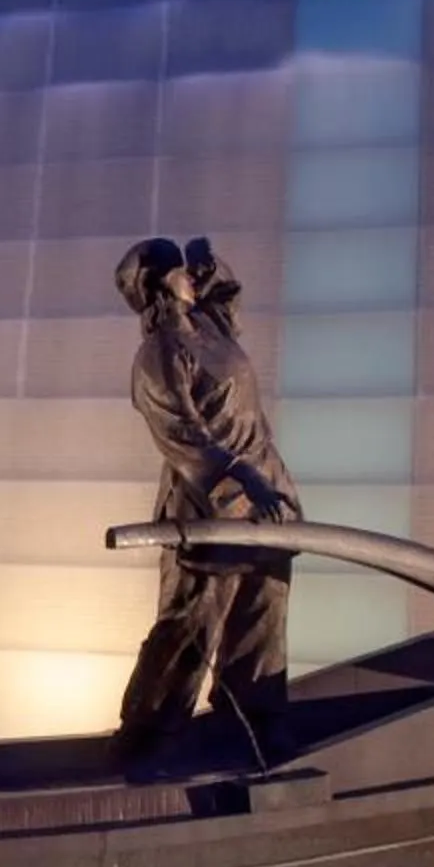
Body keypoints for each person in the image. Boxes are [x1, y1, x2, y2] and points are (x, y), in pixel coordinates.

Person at [112, 234, 303, 765]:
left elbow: (226, 293)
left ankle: (256, 723)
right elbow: (181, 434)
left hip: (266, 495)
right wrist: (240, 482)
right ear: (155, 288)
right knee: (192, 622)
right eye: (179, 272)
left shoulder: (212, 328)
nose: (192, 279)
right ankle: (152, 734)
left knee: (263, 611)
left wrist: (208, 261)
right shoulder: (159, 354)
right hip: (207, 505)